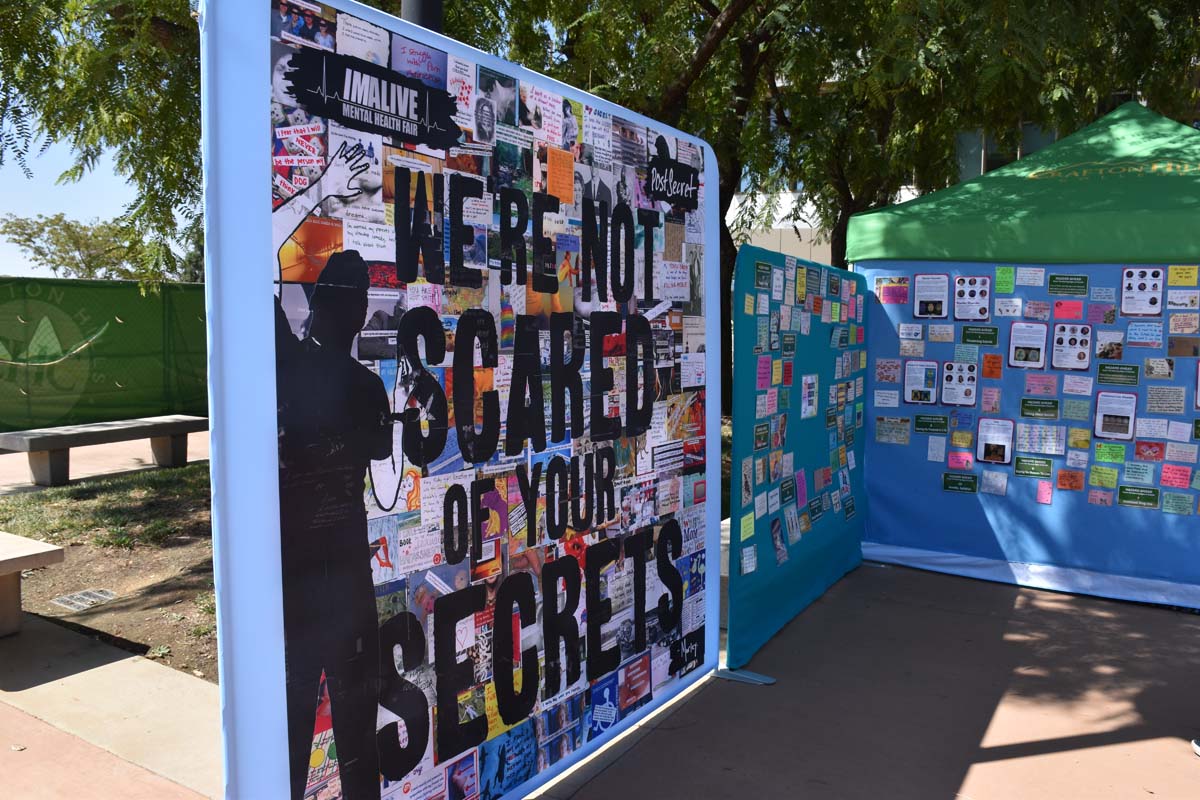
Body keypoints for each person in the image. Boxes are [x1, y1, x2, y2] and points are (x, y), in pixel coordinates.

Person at [276, 250, 392, 800]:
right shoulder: (362, 387)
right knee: (344, 726)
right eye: (357, 300)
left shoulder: (293, 372)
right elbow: (382, 468)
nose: (360, 310)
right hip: (338, 573)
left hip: (312, 573)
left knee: (311, 722)